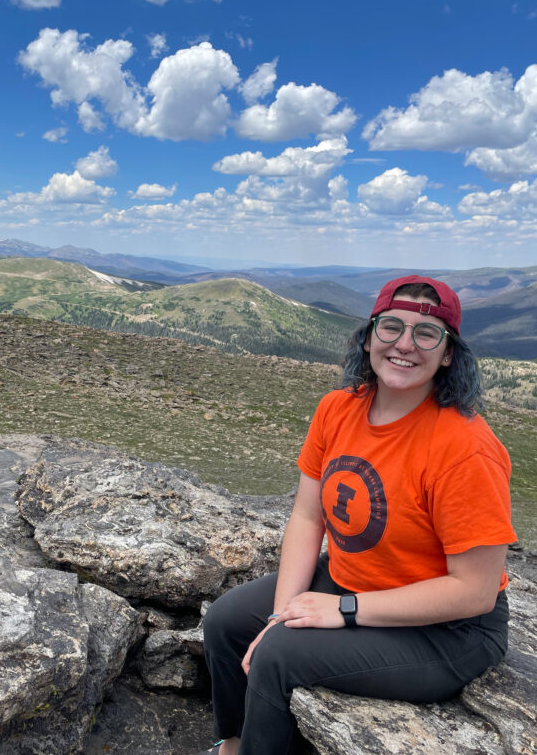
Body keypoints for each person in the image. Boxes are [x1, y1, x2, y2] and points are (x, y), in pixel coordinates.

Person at [198, 275, 516, 755]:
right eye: (391, 327)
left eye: (426, 334)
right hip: (357, 582)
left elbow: (473, 591)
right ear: (369, 337)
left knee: (281, 653)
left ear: (449, 354)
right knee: (227, 621)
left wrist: (342, 611)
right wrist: (282, 612)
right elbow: (308, 518)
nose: (404, 344)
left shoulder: (466, 449)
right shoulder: (337, 409)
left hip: (449, 632)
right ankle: (237, 743)